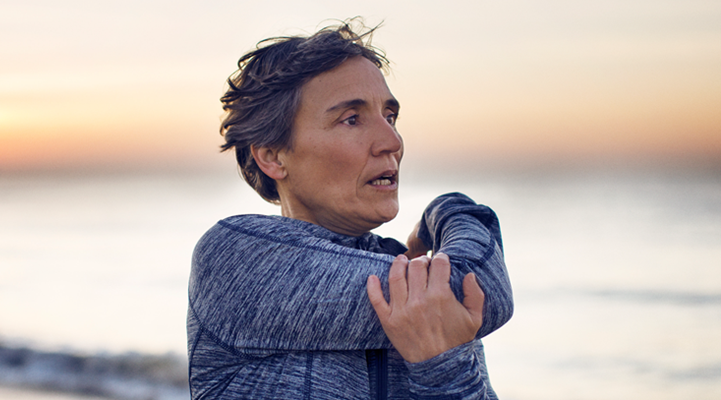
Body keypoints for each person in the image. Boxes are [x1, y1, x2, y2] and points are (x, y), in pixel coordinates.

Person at [187, 20, 513, 399]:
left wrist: (445, 371)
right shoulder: (235, 260)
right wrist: (451, 210)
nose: (391, 141)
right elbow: (481, 287)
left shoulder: (416, 277)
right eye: (352, 119)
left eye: (390, 117)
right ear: (272, 156)